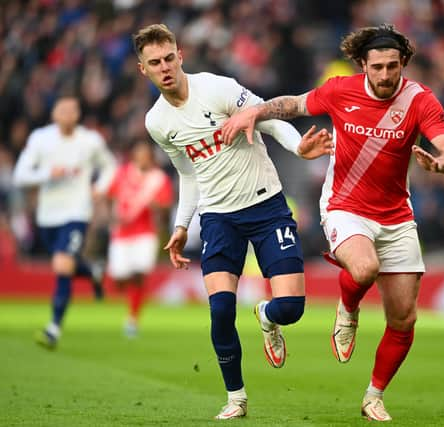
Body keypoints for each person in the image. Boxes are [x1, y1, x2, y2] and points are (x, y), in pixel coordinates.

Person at [223, 23, 444, 421]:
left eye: (393, 67)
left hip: (397, 215)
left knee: (404, 318)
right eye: (378, 67)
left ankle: (374, 395)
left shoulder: (420, 100)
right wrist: (256, 110)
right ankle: (348, 308)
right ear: (363, 66)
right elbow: (295, 104)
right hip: (345, 206)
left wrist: (443, 164)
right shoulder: (340, 90)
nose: (386, 75)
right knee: (365, 267)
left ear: (403, 62)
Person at [132, 24, 333, 420]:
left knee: (291, 307)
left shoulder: (217, 88)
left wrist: (298, 146)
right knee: (221, 310)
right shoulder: (157, 122)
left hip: (267, 206)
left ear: (180, 55)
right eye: (155, 62)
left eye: (169, 57)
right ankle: (236, 397)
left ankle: (266, 317)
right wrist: (181, 225)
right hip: (218, 218)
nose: (165, 67)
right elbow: (188, 173)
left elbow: (267, 118)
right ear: (144, 70)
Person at [13, 95, 116, 349]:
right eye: (63, 110)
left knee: (62, 264)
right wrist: (48, 173)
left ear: (78, 114)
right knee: (64, 265)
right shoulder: (41, 138)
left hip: (77, 212)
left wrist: (100, 187)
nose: (68, 114)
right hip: (48, 215)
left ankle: (53, 329)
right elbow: (20, 175)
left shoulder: (90, 140)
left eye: (73, 109)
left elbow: (110, 166)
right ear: (54, 114)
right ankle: (92, 271)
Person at [102, 140, 173, 337]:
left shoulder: (159, 179)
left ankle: (133, 318)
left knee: (140, 275)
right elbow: (109, 196)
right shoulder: (123, 173)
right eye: (138, 154)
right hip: (121, 233)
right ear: (134, 155)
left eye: (145, 154)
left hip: (145, 233)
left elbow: (167, 207)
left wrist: (156, 207)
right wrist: (111, 216)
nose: (142, 158)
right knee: (119, 279)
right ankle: (128, 302)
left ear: (150, 157)